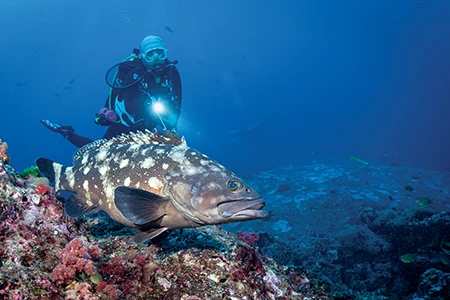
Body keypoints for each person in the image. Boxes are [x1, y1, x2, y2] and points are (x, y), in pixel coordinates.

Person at [41, 35, 182, 148]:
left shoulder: (171, 72)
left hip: (150, 126)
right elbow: (128, 104)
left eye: (160, 53)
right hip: (125, 122)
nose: (156, 59)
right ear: (143, 56)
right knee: (98, 154)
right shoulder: (134, 73)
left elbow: (177, 103)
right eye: (151, 55)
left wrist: (169, 122)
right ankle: (67, 133)